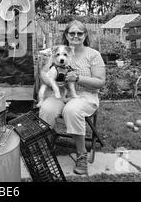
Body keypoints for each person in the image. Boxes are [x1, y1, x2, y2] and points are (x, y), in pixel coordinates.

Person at [38, 20, 106, 175]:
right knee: (46, 109)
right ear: (66, 35)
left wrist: (77, 78)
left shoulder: (93, 55)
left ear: (85, 35)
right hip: (61, 94)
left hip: (85, 96)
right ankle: (46, 148)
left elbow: (100, 82)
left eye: (79, 33)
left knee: (71, 110)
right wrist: (51, 80)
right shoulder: (58, 51)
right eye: (72, 33)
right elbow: (43, 73)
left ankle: (81, 154)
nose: (76, 36)